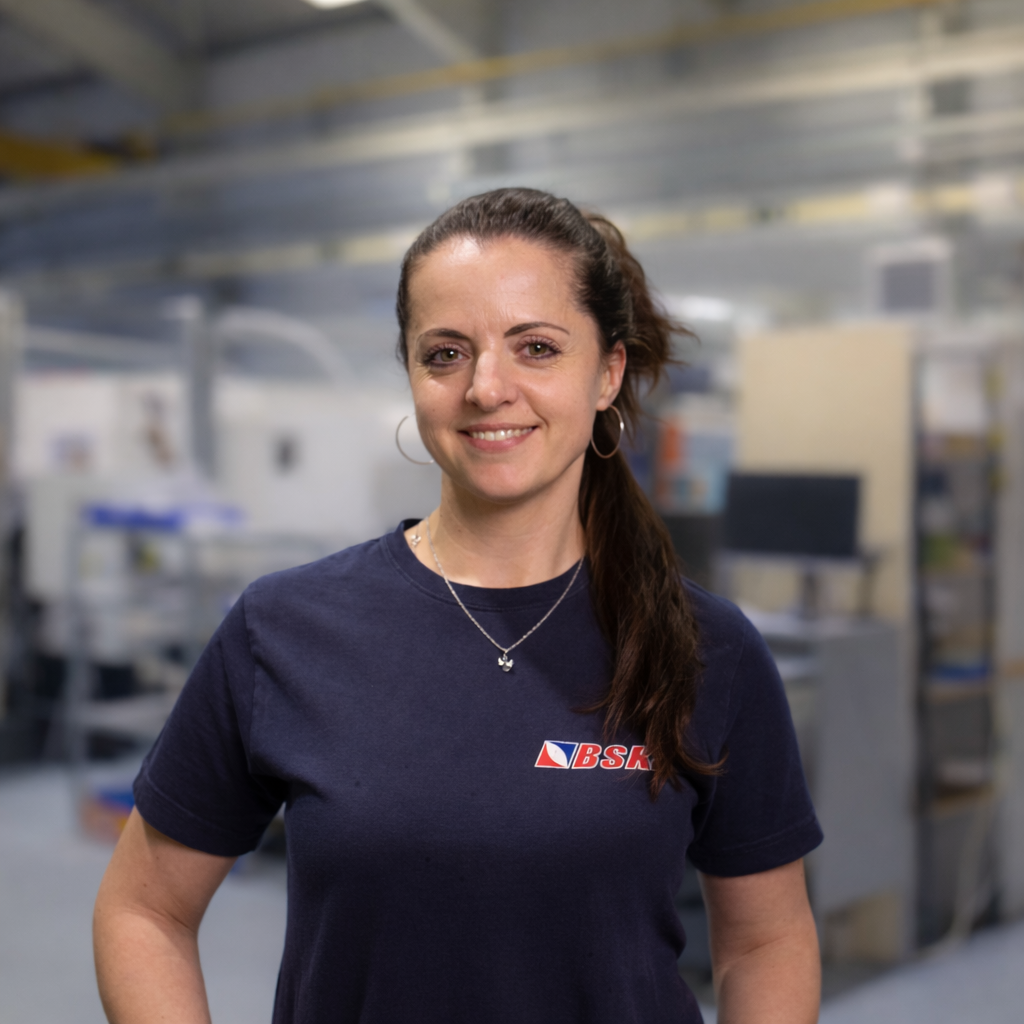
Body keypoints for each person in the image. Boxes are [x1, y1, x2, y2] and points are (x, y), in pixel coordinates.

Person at [94, 188, 822, 1024]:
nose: (487, 388)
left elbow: (768, 941)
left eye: (537, 347)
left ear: (608, 372)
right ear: (411, 373)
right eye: (445, 354)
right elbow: (143, 910)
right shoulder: (283, 632)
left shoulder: (706, 649)